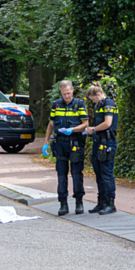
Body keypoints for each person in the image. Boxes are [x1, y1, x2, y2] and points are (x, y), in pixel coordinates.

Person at [42, 80, 89, 216]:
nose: (66, 96)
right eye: (64, 94)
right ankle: (63, 203)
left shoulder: (79, 104)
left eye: (68, 93)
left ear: (72, 90)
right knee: (61, 175)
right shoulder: (56, 105)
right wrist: (46, 142)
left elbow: (85, 124)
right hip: (60, 143)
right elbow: (51, 124)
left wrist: (73, 129)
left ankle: (79, 201)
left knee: (76, 174)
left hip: (75, 142)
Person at [84, 83, 118, 215]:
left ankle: (110, 203)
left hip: (107, 142)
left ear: (98, 95)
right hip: (98, 142)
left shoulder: (108, 104)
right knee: (99, 173)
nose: (93, 101)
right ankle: (102, 202)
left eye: (93, 99)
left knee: (106, 173)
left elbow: (107, 123)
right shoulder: (99, 105)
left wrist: (93, 129)